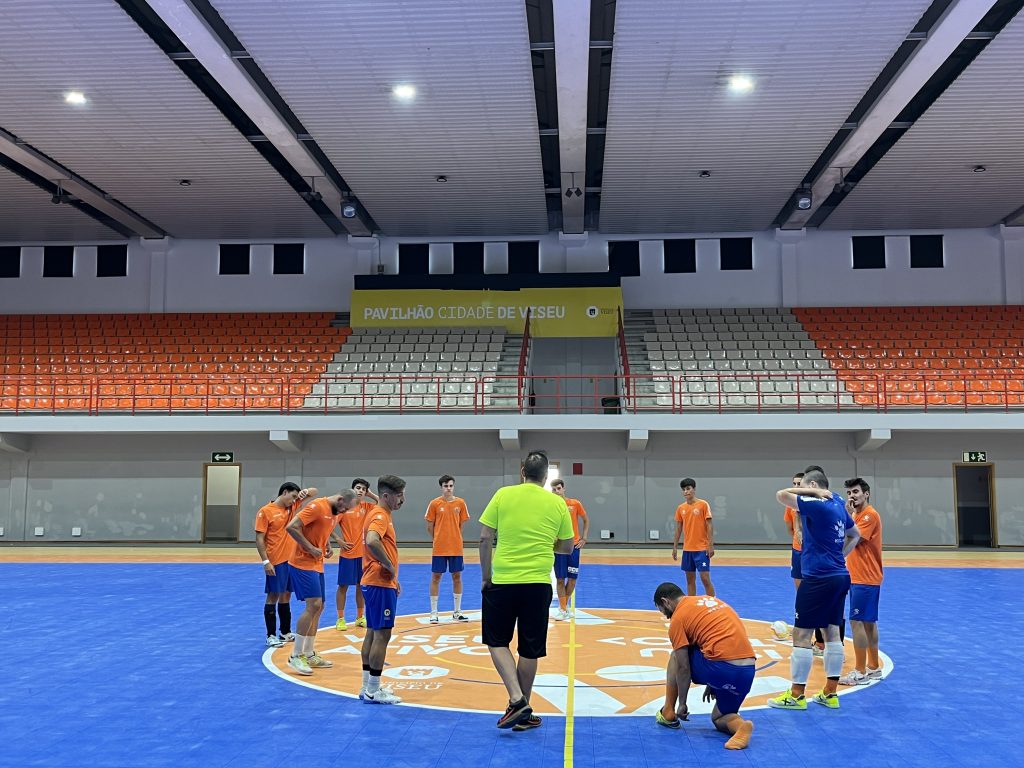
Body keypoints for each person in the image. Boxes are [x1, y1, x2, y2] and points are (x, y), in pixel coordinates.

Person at [479, 450, 574, 731]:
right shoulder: (557, 503)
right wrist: (547, 545)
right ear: (546, 477)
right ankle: (524, 709)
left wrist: (486, 576)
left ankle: (517, 700)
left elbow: (485, 537)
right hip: (538, 584)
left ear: (522, 472)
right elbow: (567, 547)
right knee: (530, 649)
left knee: (497, 642)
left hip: (503, 581)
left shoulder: (503, 495)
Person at [769, 468, 860, 710]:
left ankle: (797, 695)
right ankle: (830, 693)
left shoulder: (820, 503)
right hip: (839, 575)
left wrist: (811, 490)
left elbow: (781, 495)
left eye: (805, 484)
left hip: (818, 578)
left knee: (801, 635)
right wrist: (838, 556)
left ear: (814, 486)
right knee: (831, 633)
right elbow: (855, 534)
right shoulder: (839, 502)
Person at [652, 582, 756, 750]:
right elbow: (718, 637)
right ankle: (740, 727)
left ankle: (668, 712)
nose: (665, 616)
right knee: (720, 717)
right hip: (747, 671)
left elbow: (683, 667)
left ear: (665, 602)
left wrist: (682, 704)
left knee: (676, 657)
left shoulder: (678, 618)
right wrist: (713, 682)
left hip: (721, 668)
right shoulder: (708, 601)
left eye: (661, 610)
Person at [284, 490, 359, 676]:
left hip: (316, 564)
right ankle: (295, 655)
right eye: (344, 508)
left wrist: (326, 545)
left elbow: (320, 529)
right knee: (314, 604)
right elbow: (292, 527)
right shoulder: (317, 506)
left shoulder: (335, 511)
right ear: (340, 500)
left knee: (320, 606)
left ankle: (309, 653)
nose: (343, 513)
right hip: (302, 562)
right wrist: (310, 547)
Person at [359, 475, 407, 704]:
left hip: (375, 581)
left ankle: (367, 685)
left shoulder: (380, 512)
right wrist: (388, 565)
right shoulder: (379, 515)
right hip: (378, 582)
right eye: (399, 496)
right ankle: (373, 690)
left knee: (372, 631)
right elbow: (371, 540)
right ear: (386, 496)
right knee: (382, 634)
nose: (403, 500)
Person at [254, 483, 316, 647]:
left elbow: (314, 492)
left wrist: (305, 493)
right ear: (284, 492)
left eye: (297, 497)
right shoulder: (265, 511)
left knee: (286, 595)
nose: (295, 500)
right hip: (275, 561)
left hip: (290, 561)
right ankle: (270, 635)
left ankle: (285, 631)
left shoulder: (292, 506)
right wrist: (266, 561)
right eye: (293, 496)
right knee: (273, 596)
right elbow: (259, 538)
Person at [839, 477, 884, 685]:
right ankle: (873, 667)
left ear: (866, 494)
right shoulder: (859, 515)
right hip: (861, 577)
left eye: (855, 492)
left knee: (857, 622)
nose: (852, 496)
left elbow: (852, 538)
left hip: (865, 578)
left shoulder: (868, 516)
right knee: (868, 623)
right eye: (849, 493)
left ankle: (860, 671)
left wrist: (846, 516)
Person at [333, 478, 379, 631]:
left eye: (363, 489)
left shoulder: (367, 506)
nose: (360, 491)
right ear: (352, 490)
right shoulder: (344, 508)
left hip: (364, 555)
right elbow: (329, 524)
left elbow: (382, 504)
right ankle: (340, 619)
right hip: (347, 554)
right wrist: (338, 539)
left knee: (361, 586)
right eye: (358, 488)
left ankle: (360, 617)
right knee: (343, 586)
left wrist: (370, 494)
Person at [425, 474, 471, 623]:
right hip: (439, 548)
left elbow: (461, 525)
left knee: (457, 577)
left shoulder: (461, 503)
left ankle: (457, 612)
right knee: (436, 577)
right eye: (446, 486)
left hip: (456, 548)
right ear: (441, 487)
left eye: (451, 486)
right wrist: (438, 539)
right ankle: (434, 613)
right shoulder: (434, 504)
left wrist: (454, 537)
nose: (448, 489)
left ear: (453, 486)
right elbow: (429, 526)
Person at [551, 479, 589, 620]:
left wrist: (583, 537)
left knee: (572, 579)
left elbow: (586, 520)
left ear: (564, 489)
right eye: (554, 489)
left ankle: (564, 607)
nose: (556, 491)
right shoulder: (550, 506)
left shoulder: (574, 503)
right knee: (560, 579)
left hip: (573, 546)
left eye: (559, 488)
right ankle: (562, 609)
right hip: (558, 547)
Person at [671, 478, 716, 597]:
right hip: (687, 550)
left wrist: (710, 545)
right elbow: (679, 528)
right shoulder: (681, 508)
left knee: (705, 579)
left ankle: (712, 603)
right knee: (690, 580)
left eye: (688, 489)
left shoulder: (703, 505)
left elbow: (709, 525)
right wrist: (675, 547)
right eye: (684, 490)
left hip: (701, 549)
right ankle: (692, 605)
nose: (686, 492)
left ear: (694, 489)